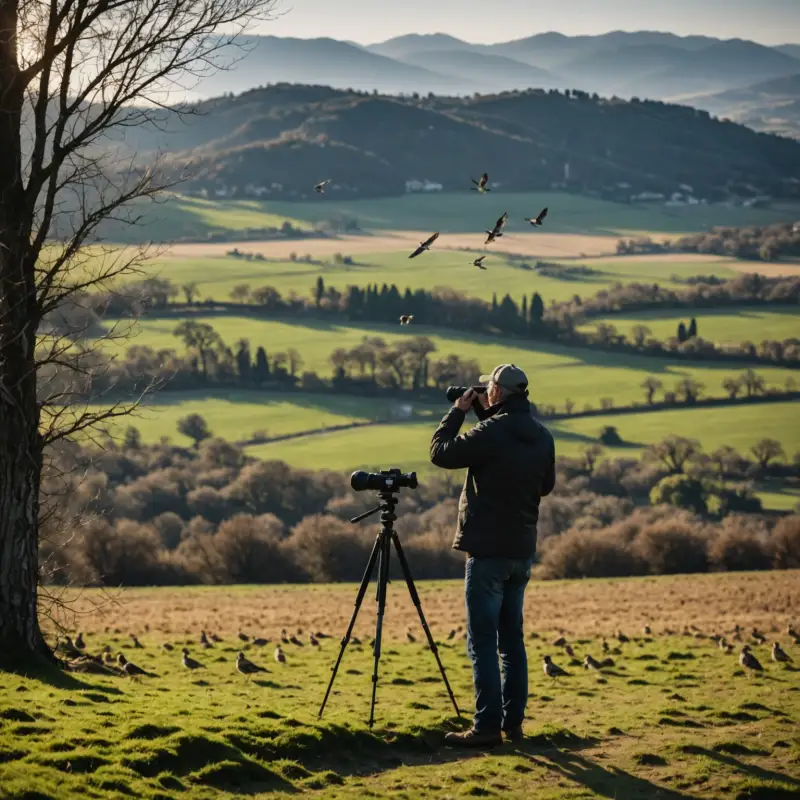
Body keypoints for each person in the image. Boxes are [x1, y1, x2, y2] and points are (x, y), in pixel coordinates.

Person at [430, 363, 555, 748]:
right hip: (521, 551)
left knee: (482, 641)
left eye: (489, 387)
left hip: (487, 553)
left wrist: (458, 412)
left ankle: (486, 727)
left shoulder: (491, 432)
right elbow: (546, 486)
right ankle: (512, 725)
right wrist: (486, 416)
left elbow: (441, 453)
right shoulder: (542, 436)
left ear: (497, 391)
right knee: (511, 642)